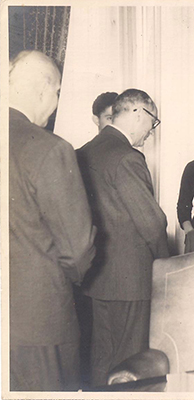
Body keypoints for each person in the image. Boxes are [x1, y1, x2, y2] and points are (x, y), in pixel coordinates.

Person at [9, 50, 96, 391]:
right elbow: (77, 249)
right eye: (58, 92)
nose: (56, 102)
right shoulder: (50, 149)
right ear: (44, 90)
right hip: (39, 324)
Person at [76, 88, 169, 387]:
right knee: (129, 361)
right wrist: (166, 268)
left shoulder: (85, 151)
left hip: (98, 276)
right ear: (137, 113)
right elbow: (151, 223)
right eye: (152, 123)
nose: (150, 133)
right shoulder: (126, 157)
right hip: (130, 279)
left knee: (102, 355)